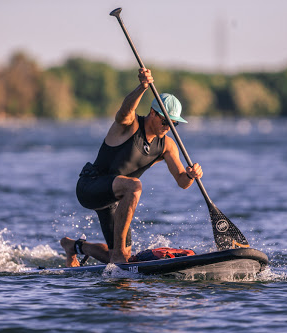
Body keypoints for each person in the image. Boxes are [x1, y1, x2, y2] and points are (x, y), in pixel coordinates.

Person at [60, 68, 203, 267]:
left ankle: (74, 247)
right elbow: (124, 110)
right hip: (90, 187)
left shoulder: (167, 145)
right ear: (153, 113)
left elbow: (182, 182)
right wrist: (142, 87)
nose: (168, 127)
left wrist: (191, 175)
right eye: (165, 121)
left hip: (114, 199)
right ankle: (118, 255)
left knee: (121, 259)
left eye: (174, 124)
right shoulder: (130, 125)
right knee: (134, 186)